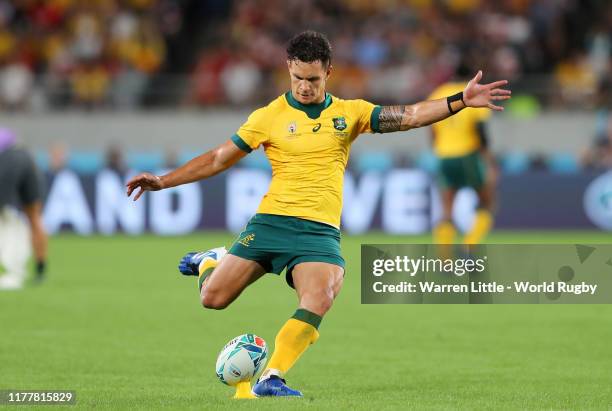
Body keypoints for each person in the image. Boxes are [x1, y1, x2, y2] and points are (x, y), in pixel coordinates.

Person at [126, 31, 510, 397]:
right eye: (297, 77)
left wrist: (459, 99)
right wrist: (163, 180)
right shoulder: (268, 116)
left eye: (312, 78)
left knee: (322, 294)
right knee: (213, 299)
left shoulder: (350, 113)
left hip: (318, 231)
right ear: (288, 68)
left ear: (328, 71)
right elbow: (218, 158)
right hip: (271, 222)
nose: (304, 86)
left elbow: (408, 115)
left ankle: (272, 377)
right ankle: (212, 262)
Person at [428, 72, 499, 245]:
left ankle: (445, 259)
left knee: (447, 209)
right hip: (468, 155)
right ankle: (470, 244)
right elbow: (481, 131)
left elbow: (430, 128)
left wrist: (440, 148)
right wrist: (489, 162)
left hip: (444, 156)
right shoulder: (473, 93)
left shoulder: (438, 93)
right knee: (487, 202)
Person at [0, 128, 48, 290]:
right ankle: (41, 270)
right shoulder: (6, 132)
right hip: (26, 156)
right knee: (34, 216)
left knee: (4, 216)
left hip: (7, 158)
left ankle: (11, 267)